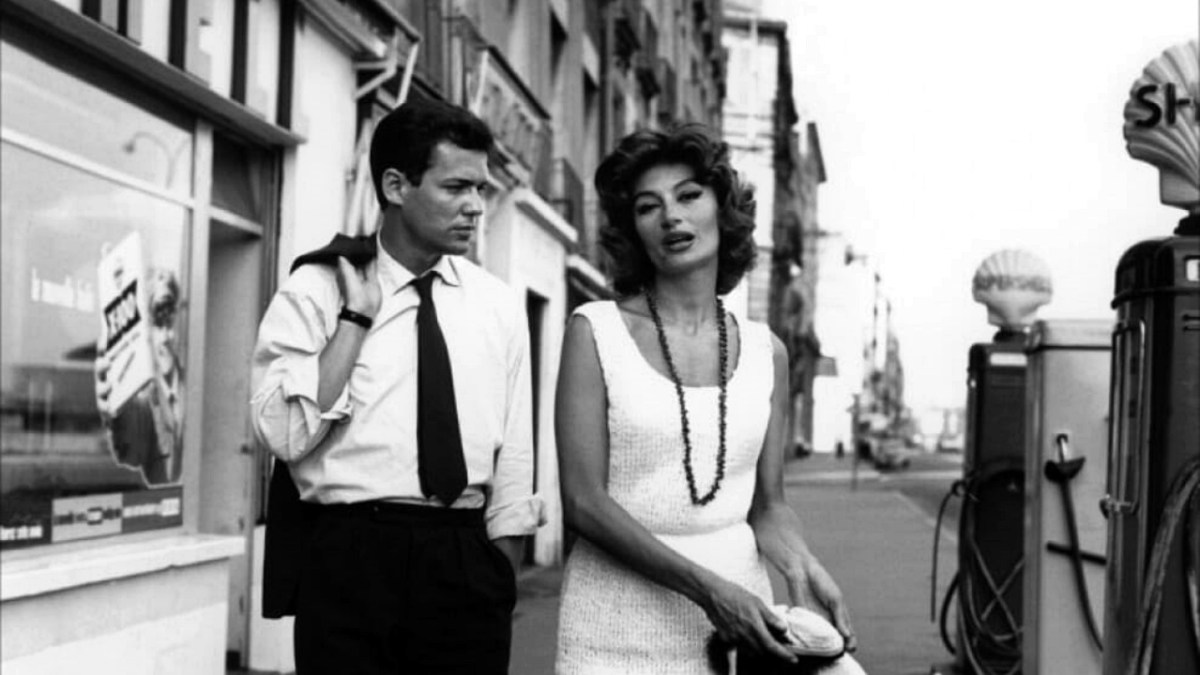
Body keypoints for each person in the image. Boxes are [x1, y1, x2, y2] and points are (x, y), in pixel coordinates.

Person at [250, 97, 543, 674]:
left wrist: (498, 572)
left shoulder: (498, 305)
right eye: (455, 187)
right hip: (351, 557)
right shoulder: (317, 289)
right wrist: (354, 320)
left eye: (480, 189)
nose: (475, 206)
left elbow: (514, 454)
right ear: (395, 186)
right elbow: (282, 436)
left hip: (464, 561)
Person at [554, 125, 857, 673]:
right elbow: (582, 502)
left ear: (723, 209)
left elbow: (767, 506)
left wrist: (801, 565)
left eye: (689, 196)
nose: (671, 216)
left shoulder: (767, 352)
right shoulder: (594, 331)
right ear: (634, 229)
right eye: (649, 207)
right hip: (613, 626)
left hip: (740, 628)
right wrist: (709, 591)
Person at [95, 267, 184, 486]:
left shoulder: (195, 385)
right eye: (156, 322)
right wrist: (114, 406)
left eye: (170, 318)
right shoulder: (143, 402)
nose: (166, 336)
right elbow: (130, 448)